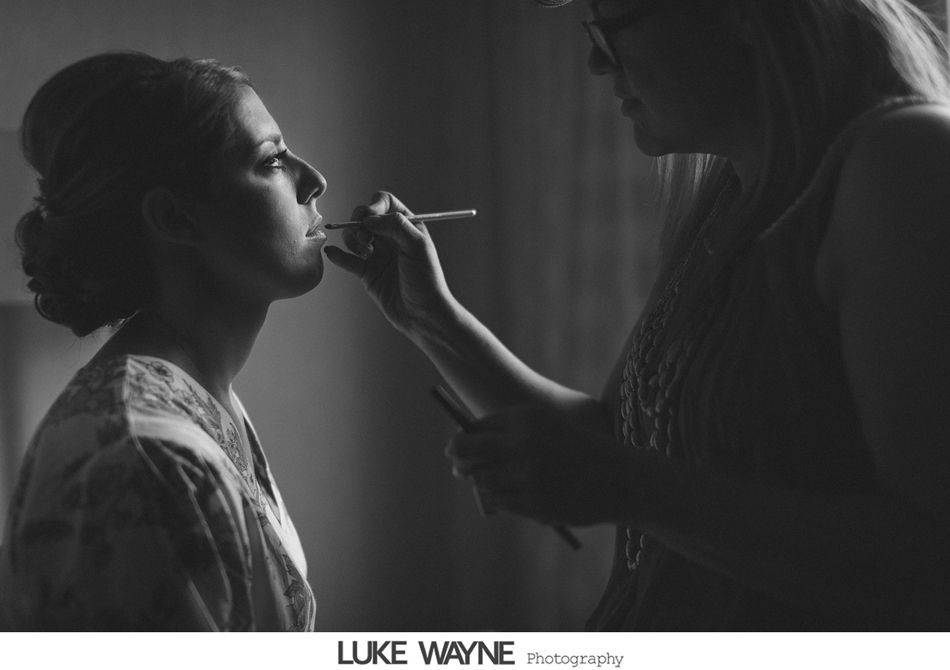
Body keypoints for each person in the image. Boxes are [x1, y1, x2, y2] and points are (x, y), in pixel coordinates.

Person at [325, 0, 950, 629]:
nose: (598, 61)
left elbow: (926, 557)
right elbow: (621, 442)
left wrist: (633, 489)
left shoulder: (904, 162)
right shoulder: (736, 191)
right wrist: (429, 315)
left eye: (613, 28)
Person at [0, 51, 327, 630]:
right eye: (273, 160)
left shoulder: (200, 393)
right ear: (176, 219)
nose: (314, 180)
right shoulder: (144, 453)